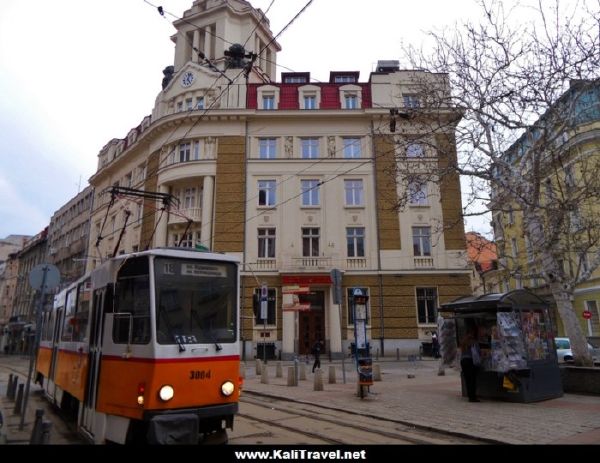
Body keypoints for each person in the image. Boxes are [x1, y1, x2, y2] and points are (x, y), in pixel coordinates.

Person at [459, 330, 481, 402]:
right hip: (471, 361)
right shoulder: (474, 342)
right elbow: (478, 352)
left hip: (463, 361)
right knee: (472, 380)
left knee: (467, 379)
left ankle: (469, 395)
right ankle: (473, 397)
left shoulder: (463, 342)